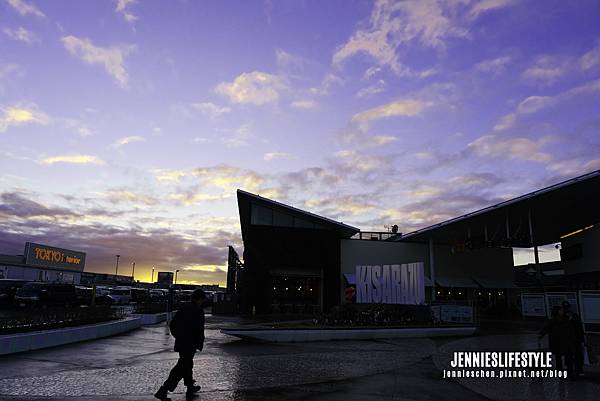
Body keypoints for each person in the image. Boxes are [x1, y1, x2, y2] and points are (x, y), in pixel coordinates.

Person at [155, 289, 207, 400]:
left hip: (183, 343)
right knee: (181, 367)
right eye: (202, 299)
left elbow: (173, 324)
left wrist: (179, 337)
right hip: (190, 344)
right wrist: (198, 342)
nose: (202, 302)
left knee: (187, 365)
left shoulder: (184, 308)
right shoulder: (198, 311)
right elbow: (199, 330)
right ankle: (164, 389)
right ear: (199, 299)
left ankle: (189, 386)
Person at [539, 305, 575, 379]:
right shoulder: (552, 321)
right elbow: (545, 329)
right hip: (557, 342)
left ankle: (570, 373)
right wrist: (541, 335)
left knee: (568, 358)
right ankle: (561, 374)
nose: (562, 311)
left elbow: (570, 329)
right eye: (560, 310)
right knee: (558, 358)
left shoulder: (566, 319)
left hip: (566, 342)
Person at [562, 300, 585, 376]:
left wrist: (581, 339)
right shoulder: (563, 317)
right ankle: (571, 371)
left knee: (577, 355)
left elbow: (579, 328)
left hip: (575, 339)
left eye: (567, 308)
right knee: (570, 356)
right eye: (565, 308)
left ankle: (578, 370)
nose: (566, 309)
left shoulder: (574, 316)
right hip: (568, 340)